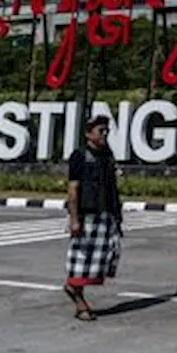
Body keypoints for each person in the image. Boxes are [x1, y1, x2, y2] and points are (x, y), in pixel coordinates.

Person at [63, 116, 122, 321]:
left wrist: (117, 215)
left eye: (106, 130)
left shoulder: (107, 155)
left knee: (104, 258)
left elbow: (113, 187)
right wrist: (74, 219)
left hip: (106, 214)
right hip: (86, 215)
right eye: (100, 130)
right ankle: (78, 299)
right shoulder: (80, 156)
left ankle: (77, 293)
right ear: (88, 133)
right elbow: (73, 189)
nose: (104, 134)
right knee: (81, 259)